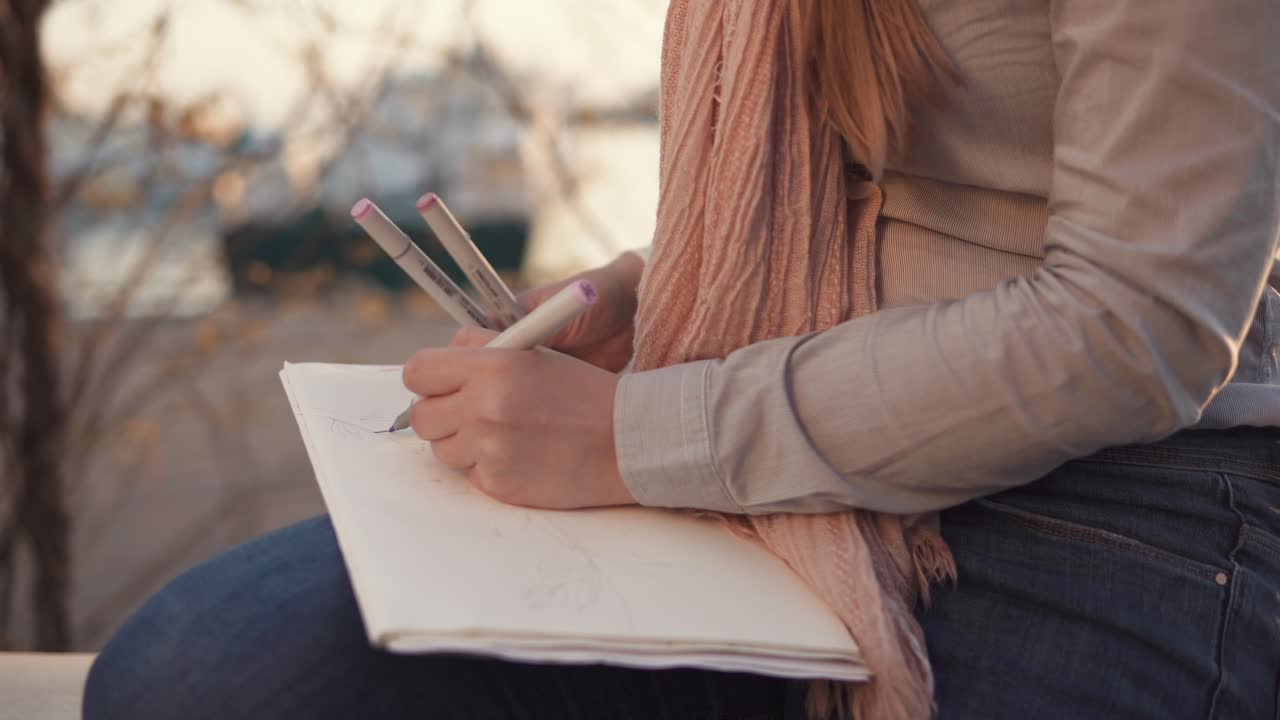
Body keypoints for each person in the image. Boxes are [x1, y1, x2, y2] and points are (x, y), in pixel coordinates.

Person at [84, 0, 1280, 718]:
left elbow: (1144, 318)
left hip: (1120, 489)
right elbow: (847, 191)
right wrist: (640, 296)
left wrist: (636, 437)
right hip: (775, 445)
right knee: (201, 678)